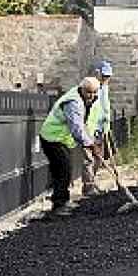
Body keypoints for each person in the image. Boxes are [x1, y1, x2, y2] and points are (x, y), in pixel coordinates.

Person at [38, 77, 103, 218]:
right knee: (62, 171)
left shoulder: (83, 99)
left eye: (94, 93)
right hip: (52, 138)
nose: (91, 96)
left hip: (62, 140)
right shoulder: (73, 103)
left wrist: (91, 141)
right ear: (82, 89)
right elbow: (77, 129)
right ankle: (59, 206)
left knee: (65, 170)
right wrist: (91, 145)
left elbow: (83, 124)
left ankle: (63, 201)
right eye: (89, 92)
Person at [80, 61, 114, 196]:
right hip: (89, 130)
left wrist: (106, 125)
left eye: (108, 76)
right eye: (104, 76)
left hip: (100, 129)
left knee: (99, 158)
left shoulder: (105, 88)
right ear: (98, 73)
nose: (106, 79)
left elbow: (105, 109)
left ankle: (92, 183)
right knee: (88, 159)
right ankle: (88, 187)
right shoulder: (90, 87)